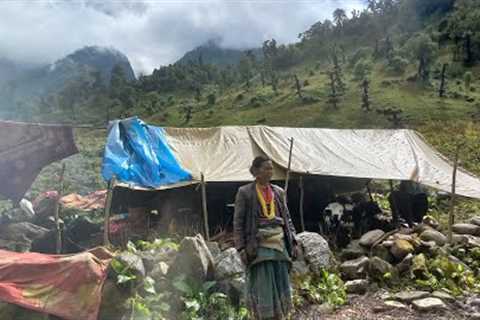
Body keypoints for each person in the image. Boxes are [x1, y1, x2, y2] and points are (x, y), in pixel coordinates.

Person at [233, 156, 298, 320]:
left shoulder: (278, 192)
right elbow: (238, 222)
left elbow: (287, 219)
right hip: (258, 245)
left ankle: (280, 315)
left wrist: (294, 241)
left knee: (280, 278)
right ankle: (265, 315)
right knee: (263, 281)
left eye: (271, 168)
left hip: (279, 242)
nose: (270, 172)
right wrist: (241, 247)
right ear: (256, 171)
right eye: (266, 168)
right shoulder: (245, 192)